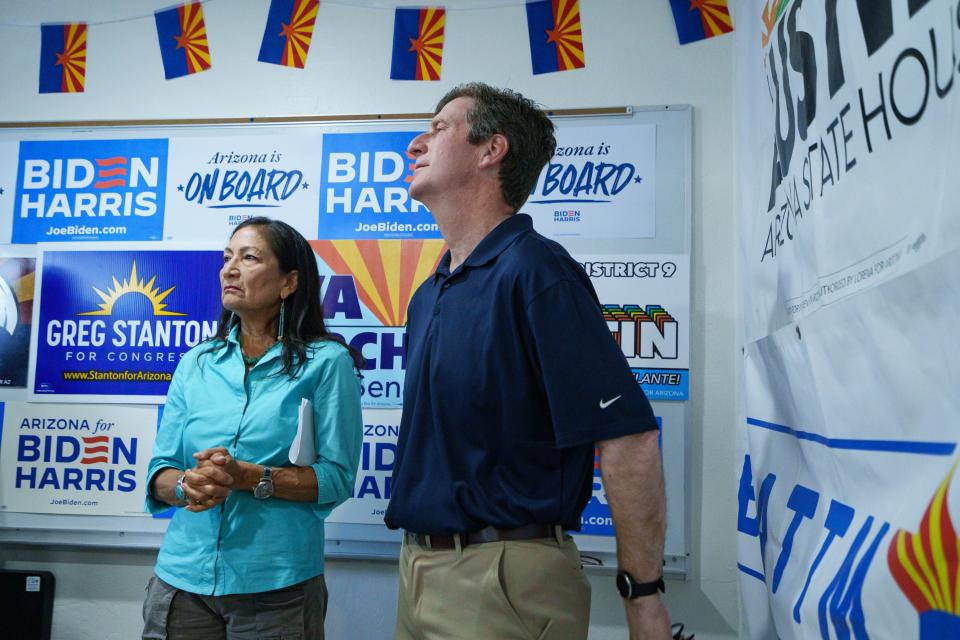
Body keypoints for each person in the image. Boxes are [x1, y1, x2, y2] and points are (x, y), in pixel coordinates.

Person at [384, 83, 672, 640]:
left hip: (503, 579)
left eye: (440, 127)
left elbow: (629, 438)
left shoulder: (537, 273)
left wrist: (644, 599)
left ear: (491, 150)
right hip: (418, 571)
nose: (417, 143)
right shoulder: (429, 293)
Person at [142, 217, 363, 640]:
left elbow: (336, 478)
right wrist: (191, 485)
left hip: (277, 587)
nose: (229, 269)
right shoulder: (197, 363)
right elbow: (160, 473)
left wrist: (249, 477)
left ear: (288, 282)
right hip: (182, 580)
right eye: (227, 258)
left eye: (248, 258)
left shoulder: (327, 364)